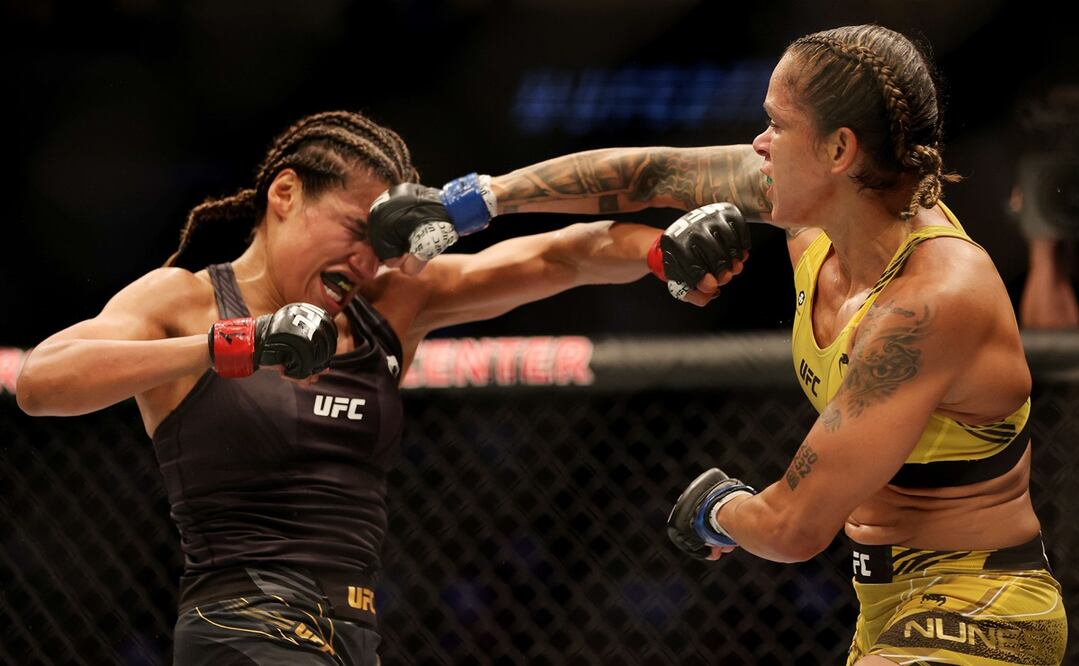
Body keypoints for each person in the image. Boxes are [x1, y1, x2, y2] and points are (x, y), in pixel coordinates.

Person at [367, 25, 1068, 665]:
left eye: (775, 124)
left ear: (837, 150)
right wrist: (471, 201)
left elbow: (792, 527)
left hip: (981, 607)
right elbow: (648, 176)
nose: (758, 143)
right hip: (883, 609)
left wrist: (715, 508)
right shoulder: (816, 217)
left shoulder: (930, 298)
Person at [14, 110, 741, 665]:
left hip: (354, 632)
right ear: (286, 194)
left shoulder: (393, 304)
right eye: (353, 230)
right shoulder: (187, 300)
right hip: (240, 626)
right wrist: (227, 346)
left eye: (384, 243)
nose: (366, 260)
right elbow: (42, 383)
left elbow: (562, 256)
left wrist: (657, 248)